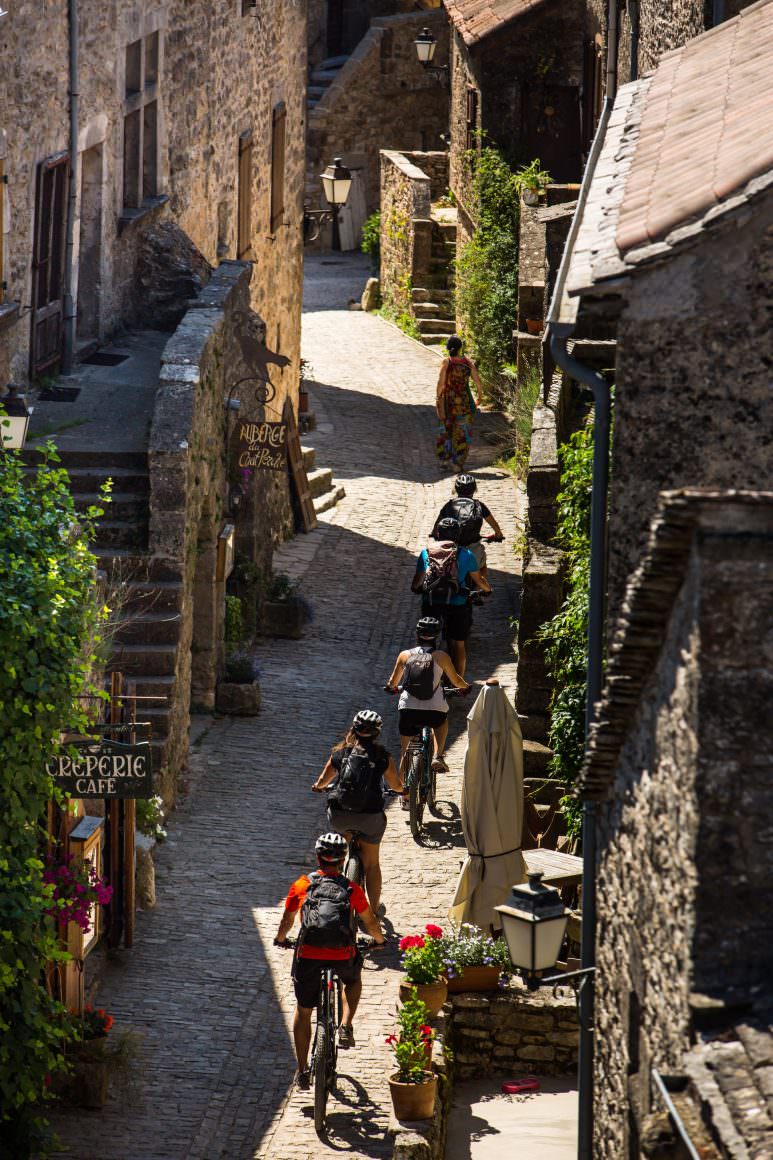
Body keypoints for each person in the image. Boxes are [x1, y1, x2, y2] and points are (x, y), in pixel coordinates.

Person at [274, 832, 385, 1089]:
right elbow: (369, 921)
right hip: (342, 953)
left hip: (308, 955)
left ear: (318, 857)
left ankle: (302, 1070)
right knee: (353, 979)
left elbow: (287, 921)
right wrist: (379, 941)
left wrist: (281, 940)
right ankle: (346, 1024)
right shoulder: (351, 888)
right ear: (343, 859)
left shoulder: (303, 885)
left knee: (303, 1011)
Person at [312, 710, 406, 917]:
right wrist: (402, 791)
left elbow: (322, 781)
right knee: (372, 864)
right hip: (370, 817)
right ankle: (372, 911)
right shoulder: (383, 757)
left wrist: (318, 787)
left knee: (337, 854)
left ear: (354, 729)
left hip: (340, 815)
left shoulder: (341, 753)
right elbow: (396, 785)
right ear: (377, 733)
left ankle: (331, 895)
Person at [385, 616, 469, 776]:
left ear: (417, 634)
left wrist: (392, 688)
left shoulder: (404, 655)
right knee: (441, 722)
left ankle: (404, 792)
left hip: (408, 708)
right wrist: (466, 687)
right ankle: (437, 756)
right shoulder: (441, 657)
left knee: (405, 750)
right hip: (434, 709)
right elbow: (456, 681)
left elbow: (392, 683)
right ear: (436, 635)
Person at [411, 516, 491, 678]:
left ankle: (422, 674)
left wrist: (417, 588)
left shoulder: (426, 553)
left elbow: (417, 582)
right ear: (458, 535)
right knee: (459, 644)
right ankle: (458, 682)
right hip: (457, 603)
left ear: (438, 534)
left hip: (432, 602)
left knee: (426, 639)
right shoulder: (466, 555)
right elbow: (478, 580)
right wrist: (487, 590)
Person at [432, 473, 504, 578]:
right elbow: (493, 523)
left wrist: (434, 534)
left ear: (456, 489)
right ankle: (480, 589)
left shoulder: (449, 505)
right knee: (482, 566)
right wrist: (498, 534)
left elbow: (437, 524)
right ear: (474, 489)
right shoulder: (479, 505)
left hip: (451, 546)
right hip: (472, 546)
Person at [435, 335, 482, 471]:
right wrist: (480, 395)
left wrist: (438, 398)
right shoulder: (468, 363)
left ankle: (444, 461)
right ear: (460, 348)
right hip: (464, 403)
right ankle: (457, 463)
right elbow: (477, 381)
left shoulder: (447, 362)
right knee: (462, 432)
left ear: (448, 348)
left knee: (446, 430)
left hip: (448, 402)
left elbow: (440, 383)